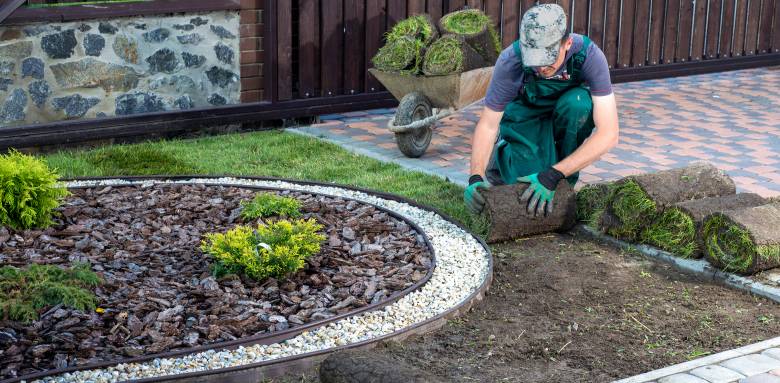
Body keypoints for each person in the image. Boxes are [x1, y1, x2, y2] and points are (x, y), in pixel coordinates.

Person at [464, 4, 619, 218]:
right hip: (525, 115)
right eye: (535, 60)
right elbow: (488, 124)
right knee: (527, 186)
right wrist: (475, 176)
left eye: (548, 59)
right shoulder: (511, 60)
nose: (541, 68)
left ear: (568, 43)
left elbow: (609, 134)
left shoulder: (589, 56)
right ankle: (501, 159)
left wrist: (553, 175)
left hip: (564, 113)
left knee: (579, 104)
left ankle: (560, 173)